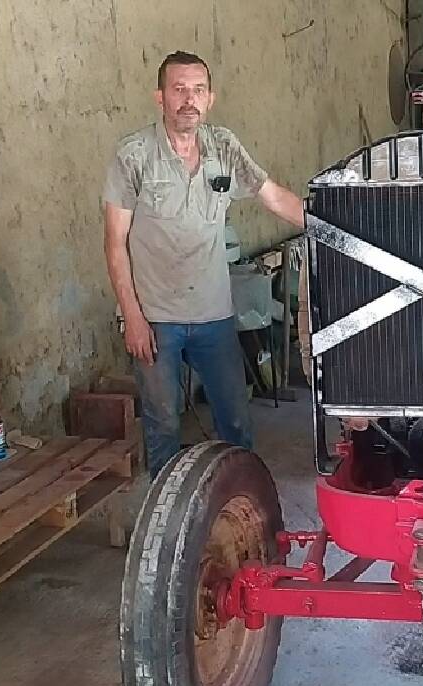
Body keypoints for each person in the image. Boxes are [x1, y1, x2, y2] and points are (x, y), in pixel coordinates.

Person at [103, 50, 306, 480]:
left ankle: (240, 503)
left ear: (210, 98)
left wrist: (335, 223)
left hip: (214, 315)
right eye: (178, 89)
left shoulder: (224, 147)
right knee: (163, 426)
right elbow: (115, 243)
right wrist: (133, 319)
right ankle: (168, 519)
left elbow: (273, 197)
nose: (188, 100)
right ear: (159, 97)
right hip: (156, 320)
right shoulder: (134, 156)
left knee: (234, 420)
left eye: (197, 90)